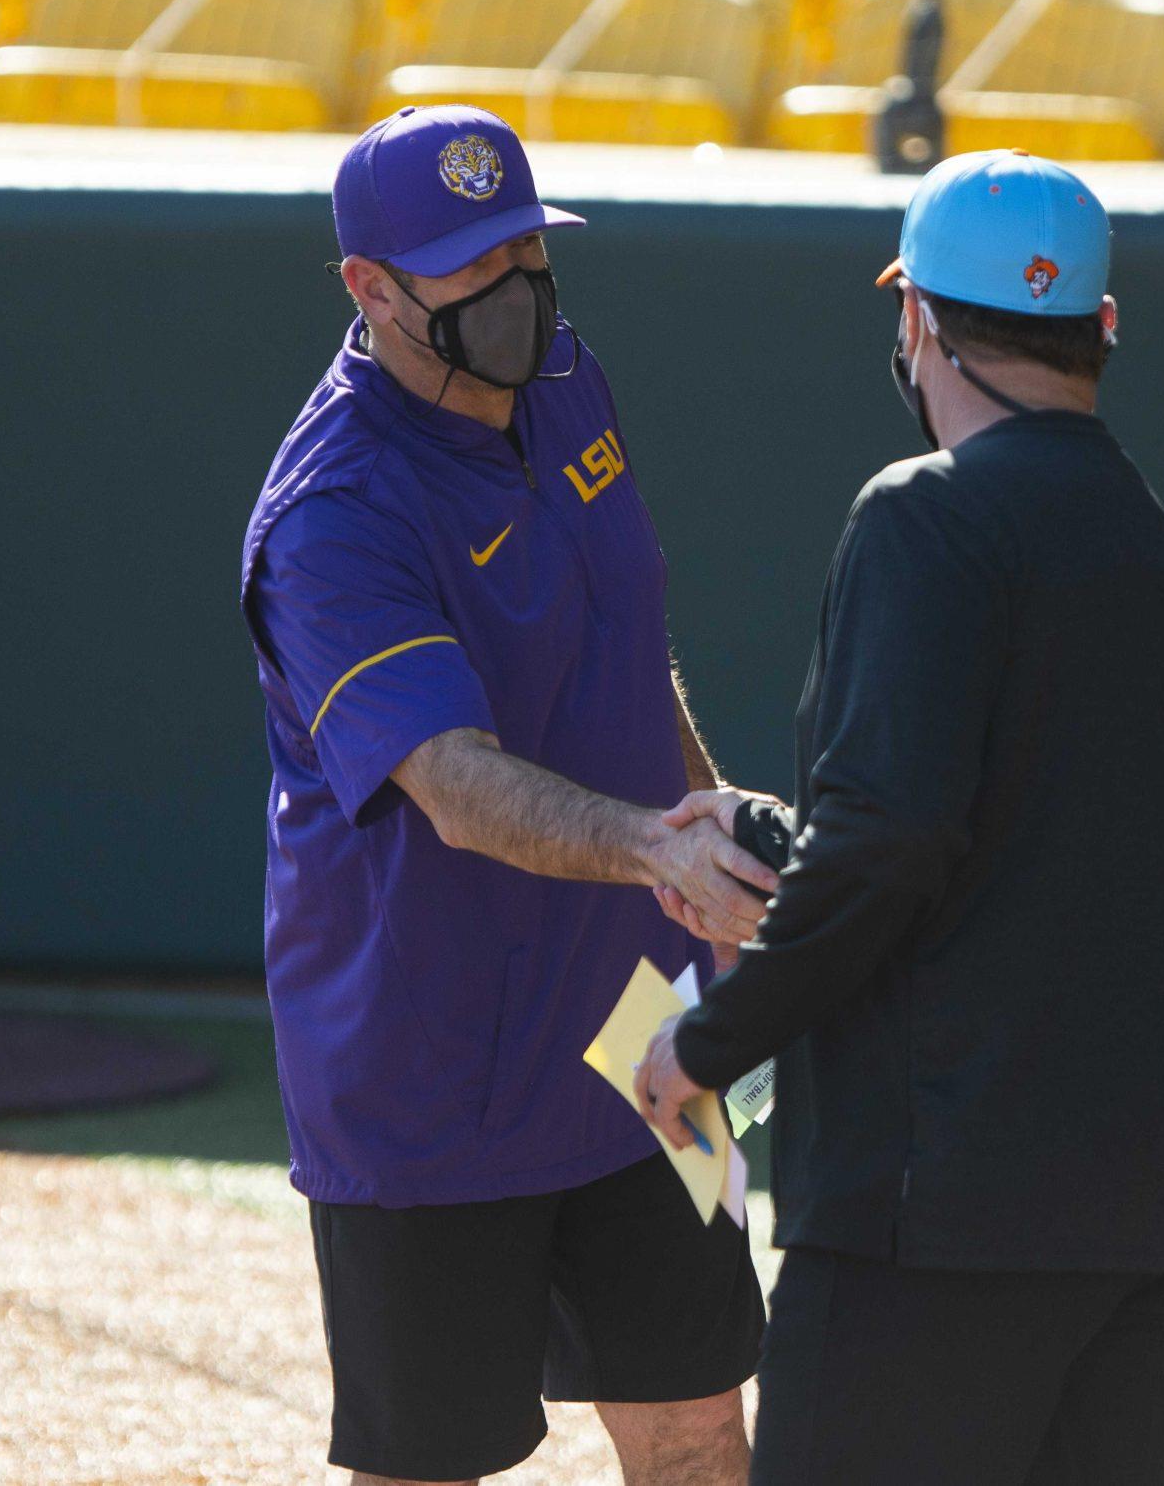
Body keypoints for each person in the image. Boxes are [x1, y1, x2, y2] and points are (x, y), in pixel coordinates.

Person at [635, 152, 1164, 1485]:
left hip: (945, 1213)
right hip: (1160, 1213)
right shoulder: (1158, 545)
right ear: (1103, 329)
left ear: (914, 319)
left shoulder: (926, 513)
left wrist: (708, 1039)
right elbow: (1021, 839)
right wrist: (789, 830)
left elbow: (897, 846)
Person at [239, 105, 775, 1486]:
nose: (515, 293)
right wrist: (656, 845)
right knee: (430, 1466)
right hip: (428, 1080)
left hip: (644, 1035)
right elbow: (457, 787)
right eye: (470, 271)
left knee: (704, 1425)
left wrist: (700, 827)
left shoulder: (567, 378)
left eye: (528, 248)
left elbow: (622, 635)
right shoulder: (331, 513)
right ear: (370, 288)